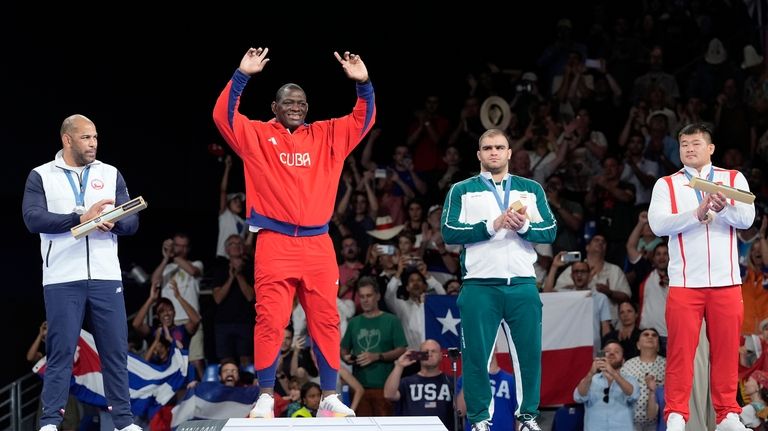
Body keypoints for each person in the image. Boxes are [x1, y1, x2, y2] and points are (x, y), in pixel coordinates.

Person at [212, 46, 375, 419]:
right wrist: (242, 76)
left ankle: (331, 396)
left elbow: (362, 119)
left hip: (318, 243)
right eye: (288, 101)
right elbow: (223, 115)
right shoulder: (254, 135)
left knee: (326, 319)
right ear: (274, 107)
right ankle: (266, 397)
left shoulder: (327, 135)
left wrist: (363, 84)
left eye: (301, 102)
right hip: (275, 241)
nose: (297, 106)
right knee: (270, 319)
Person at [22, 114, 141, 431]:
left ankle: (124, 422)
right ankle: (49, 422)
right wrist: (80, 218)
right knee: (60, 351)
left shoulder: (110, 173)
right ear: (67, 139)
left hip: (106, 276)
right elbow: (33, 219)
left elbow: (131, 221)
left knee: (115, 350)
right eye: (87, 137)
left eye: (96, 137)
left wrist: (114, 221)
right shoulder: (41, 175)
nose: (94, 143)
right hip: (62, 277)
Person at [441, 128, 557, 431]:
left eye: (500, 147)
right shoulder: (461, 190)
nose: (494, 152)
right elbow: (449, 232)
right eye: (488, 148)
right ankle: (480, 420)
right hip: (480, 284)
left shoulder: (530, 189)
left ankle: (528, 417)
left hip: (522, 283)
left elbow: (551, 230)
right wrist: (491, 226)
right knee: (477, 357)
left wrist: (525, 227)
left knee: (529, 356)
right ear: (479, 155)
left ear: (509, 153)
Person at [647, 122, 755, 431]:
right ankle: (677, 415)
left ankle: (728, 415)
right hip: (685, 283)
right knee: (681, 352)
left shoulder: (732, 178)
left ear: (710, 148)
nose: (689, 148)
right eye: (683, 144)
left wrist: (723, 209)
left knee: (725, 350)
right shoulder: (667, 184)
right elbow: (658, 225)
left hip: (726, 281)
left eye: (695, 143)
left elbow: (747, 217)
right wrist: (696, 214)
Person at [383, 340, 455, 431]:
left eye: (433, 351)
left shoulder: (451, 382)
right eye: (425, 352)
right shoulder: (407, 382)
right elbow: (389, 395)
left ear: (441, 356)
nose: (429, 354)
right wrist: (399, 365)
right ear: (419, 355)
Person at [574, 340, 640, 430]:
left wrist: (612, 372)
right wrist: (590, 373)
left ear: (623, 361)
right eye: (607, 351)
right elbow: (578, 397)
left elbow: (633, 395)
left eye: (617, 351)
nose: (611, 353)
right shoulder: (591, 379)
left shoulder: (630, 380)